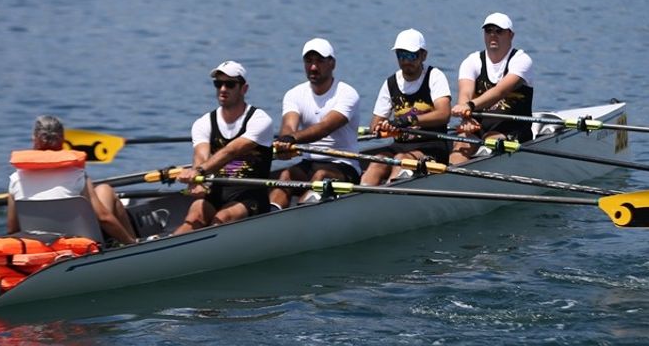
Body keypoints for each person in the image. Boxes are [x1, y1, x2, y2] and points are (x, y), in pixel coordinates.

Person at [172, 61, 275, 234]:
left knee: (223, 218)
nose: (222, 89)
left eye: (230, 84)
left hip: (250, 194)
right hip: (215, 191)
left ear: (244, 89)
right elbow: (201, 156)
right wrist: (197, 181)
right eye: (218, 84)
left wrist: (199, 172)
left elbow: (231, 151)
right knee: (194, 217)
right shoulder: (203, 123)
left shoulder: (260, 120)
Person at [6, 114, 138, 245]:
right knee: (105, 189)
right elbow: (103, 218)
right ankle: (134, 244)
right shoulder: (77, 175)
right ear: (62, 139)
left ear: (34, 138)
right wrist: (129, 241)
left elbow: (13, 229)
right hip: (81, 243)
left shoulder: (16, 179)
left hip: (40, 244)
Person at [271, 38, 362, 208]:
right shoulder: (294, 94)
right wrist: (285, 142)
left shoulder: (347, 94)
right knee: (285, 176)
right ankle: (272, 213)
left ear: (332, 63)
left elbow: (324, 128)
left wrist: (292, 139)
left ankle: (299, 216)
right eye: (309, 61)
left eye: (320, 61)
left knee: (320, 175)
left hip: (344, 164)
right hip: (309, 163)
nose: (313, 67)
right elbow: (289, 127)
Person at [360, 29, 452, 185]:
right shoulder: (390, 83)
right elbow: (375, 124)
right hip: (400, 146)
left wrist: (410, 120)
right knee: (377, 162)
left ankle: (390, 197)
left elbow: (444, 114)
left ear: (423, 55)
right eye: (401, 55)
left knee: (401, 160)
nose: (405, 61)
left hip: (432, 145)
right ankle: (362, 197)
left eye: (410, 55)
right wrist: (381, 127)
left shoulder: (434, 76)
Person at [449, 12, 535, 164]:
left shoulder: (521, 60)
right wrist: (466, 117)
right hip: (478, 128)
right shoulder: (472, 61)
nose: (493, 35)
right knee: (460, 144)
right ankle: (451, 180)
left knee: (491, 141)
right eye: (488, 31)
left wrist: (469, 106)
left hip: (512, 129)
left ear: (511, 35)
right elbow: (465, 92)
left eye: (498, 31)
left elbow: (499, 91)